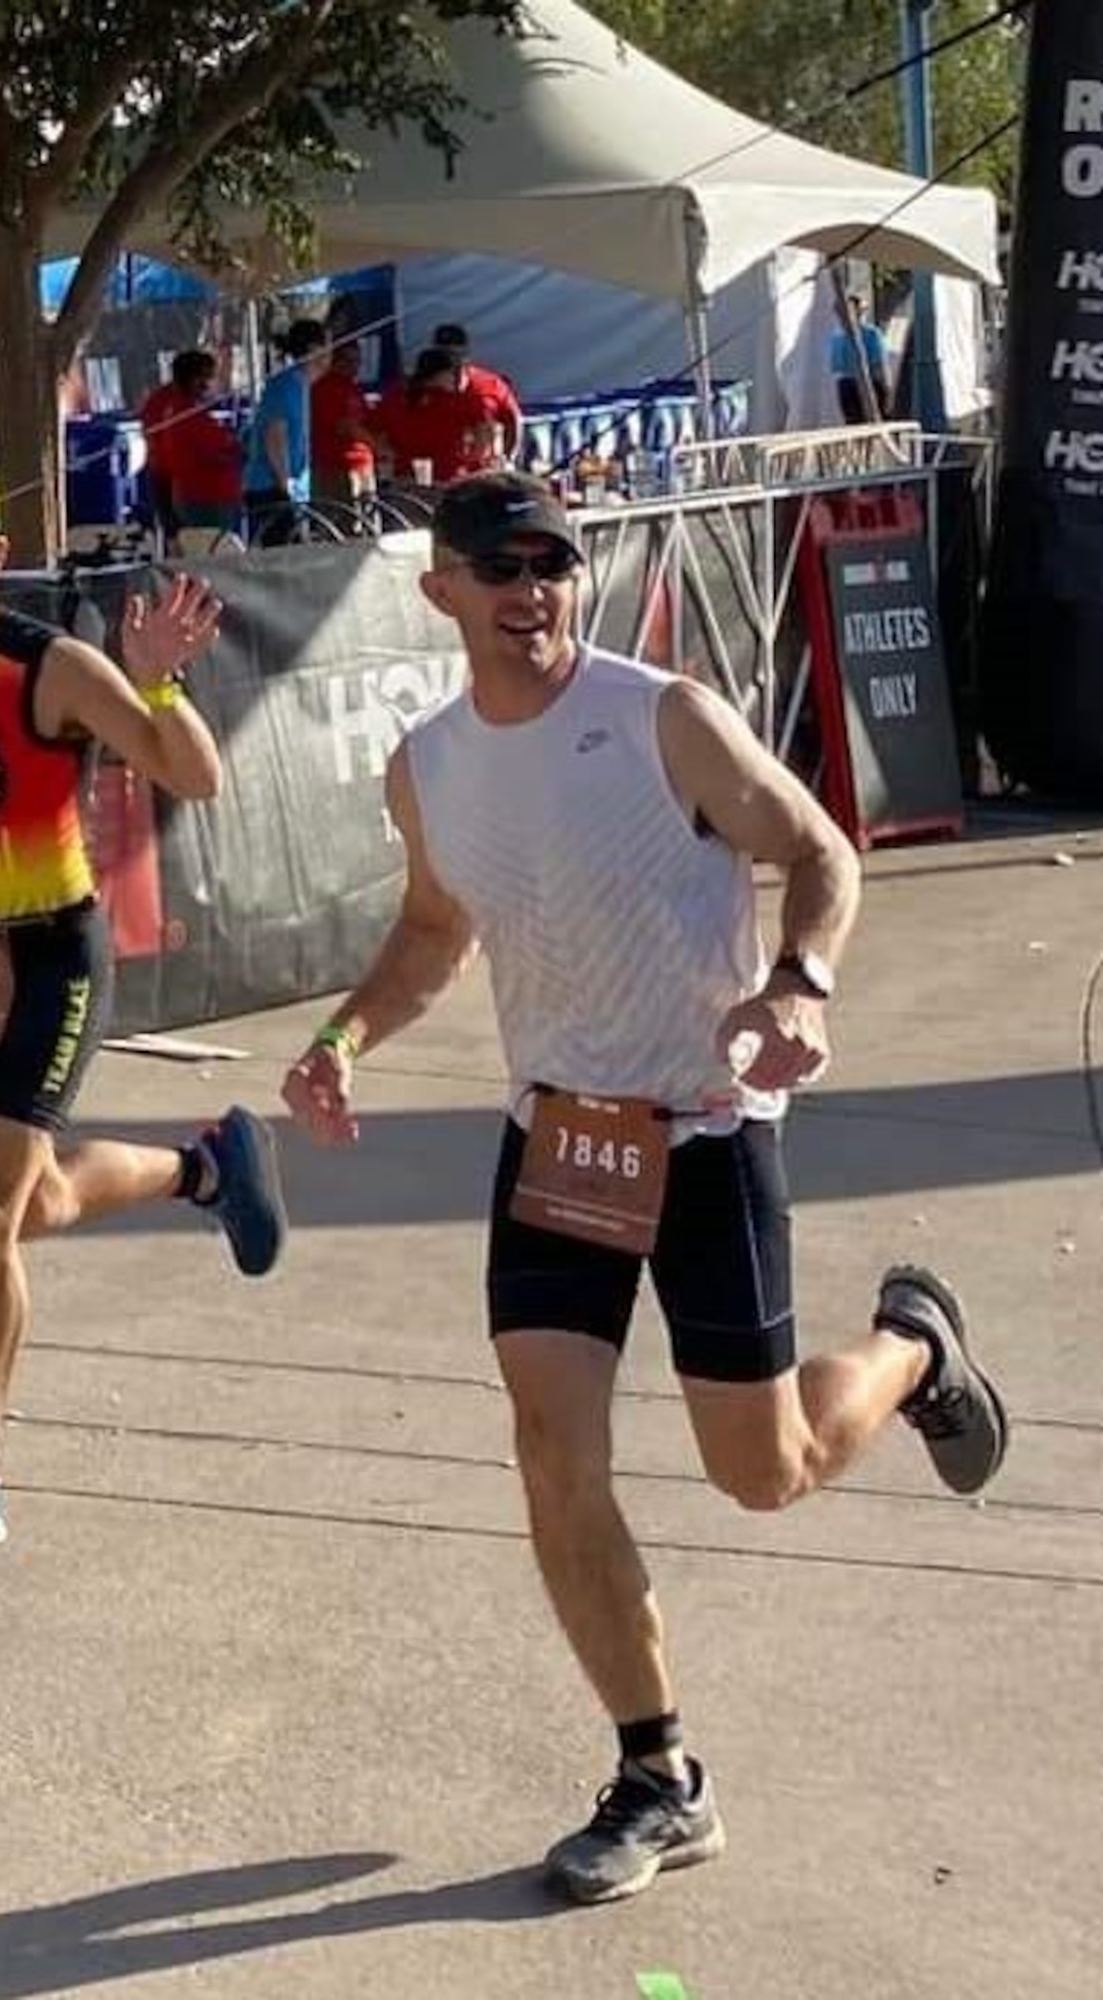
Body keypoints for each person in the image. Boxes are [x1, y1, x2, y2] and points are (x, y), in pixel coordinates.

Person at [281, 469, 1008, 1906]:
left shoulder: (660, 714)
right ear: (442, 592)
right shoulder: (426, 764)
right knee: (554, 1456)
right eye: (501, 567)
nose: (532, 588)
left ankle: (914, 1339)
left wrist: (799, 979)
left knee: (765, 1472)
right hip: (558, 1142)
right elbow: (437, 929)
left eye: (553, 562)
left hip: (703, 1130)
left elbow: (814, 848)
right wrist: (339, 1037)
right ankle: (657, 1774)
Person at [0, 455, 287, 1573]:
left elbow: (195, 777)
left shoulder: (54, 666)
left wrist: (158, 680)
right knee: (24, 1204)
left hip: (51, 950)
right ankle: (207, 1169)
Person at [140, 350, 243, 553]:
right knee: (197, 546)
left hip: (179, 486)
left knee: (186, 544)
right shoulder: (182, 412)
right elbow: (218, 450)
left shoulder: (173, 405)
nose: (214, 383)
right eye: (211, 376)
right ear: (197, 379)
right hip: (192, 491)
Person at [241, 319, 331, 547]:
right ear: (314, 350)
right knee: (284, 554)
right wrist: (284, 484)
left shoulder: (303, 385)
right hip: (271, 487)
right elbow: (274, 436)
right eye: (329, 346)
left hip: (293, 486)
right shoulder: (284, 386)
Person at [373, 349, 495, 489]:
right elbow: (485, 437)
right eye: (454, 373)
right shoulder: (461, 401)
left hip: (405, 479)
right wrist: (469, 461)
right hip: (449, 480)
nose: (458, 379)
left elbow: (375, 432)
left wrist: (387, 453)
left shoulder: (395, 397)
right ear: (442, 374)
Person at [432, 322, 524, 461]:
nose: (450, 360)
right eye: (444, 354)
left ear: (465, 353)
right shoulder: (417, 388)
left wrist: (509, 458)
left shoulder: (491, 384)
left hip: (480, 471)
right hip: (431, 469)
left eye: (455, 354)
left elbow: (513, 420)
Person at [310, 339, 378, 512]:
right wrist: (377, 446)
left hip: (362, 463)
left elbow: (367, 420)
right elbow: (344, 425)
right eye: (349, 361)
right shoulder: (325, 388)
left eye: (358, 361)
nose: (355, 367)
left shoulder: (353, 388)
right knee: (341, 518)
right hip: (336, 466)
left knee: (364, 517)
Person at [830, 293, 892, 425]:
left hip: (850, 384)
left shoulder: (837, 337)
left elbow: (837, 368)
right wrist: (886, 388)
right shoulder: (871, 333)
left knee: (854, 423)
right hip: (866, 382)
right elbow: (879, 364)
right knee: (873, 423)